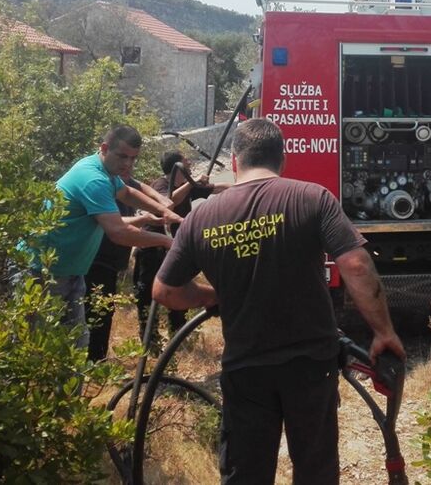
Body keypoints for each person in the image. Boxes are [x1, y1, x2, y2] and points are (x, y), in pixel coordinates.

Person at [153, 118, 405, 485]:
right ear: (282, 160)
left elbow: (165, 292)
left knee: (247, 472)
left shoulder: (201, 217)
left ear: (236, 162)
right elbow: (356, 265)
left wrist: (215, 295)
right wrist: (383, 332)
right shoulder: (311, 197)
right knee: (315, 469)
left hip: (246, 366)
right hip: (310, 363)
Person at [32, 124, 181, 351]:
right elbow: (118, 232)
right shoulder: (94, 179)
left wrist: (165, 212)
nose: (128, 164)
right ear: (104, 148)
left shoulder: (107, 173)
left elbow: (128, 193)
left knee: (76, 346)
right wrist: (167, 241)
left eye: (133, 159)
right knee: (34, 346)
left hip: (70, 271)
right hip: (41, 270)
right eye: (122, 156)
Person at [133, 151, 230, 345]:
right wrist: (190, 182)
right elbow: (168, 201)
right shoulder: (160, 185)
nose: (189, 163)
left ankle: (178, 336)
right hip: (152, 249)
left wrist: (241, 186)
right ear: (177, 166)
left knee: (178, 289)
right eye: (185, 162)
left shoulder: (188, 188)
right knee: (146, 295)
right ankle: (149, 341)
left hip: (174, 249)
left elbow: (218, 188)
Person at [84, 171, 171, 362]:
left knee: (105, 310)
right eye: (124, 160)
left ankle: (97, 360)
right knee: (97, 312)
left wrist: (160, 200)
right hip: (98, 259)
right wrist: (149, 225)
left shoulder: (123, 180)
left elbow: (140, 186)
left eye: (132, 161)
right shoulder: (102, 185)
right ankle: (93, 362)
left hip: (112, 261)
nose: (129, 167)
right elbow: (116, 225)